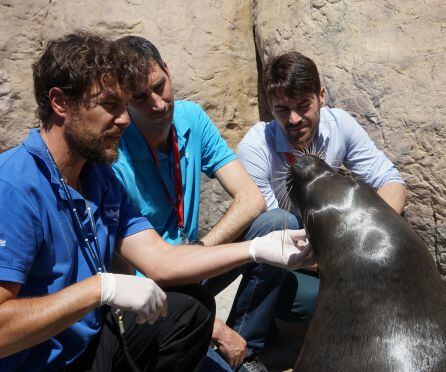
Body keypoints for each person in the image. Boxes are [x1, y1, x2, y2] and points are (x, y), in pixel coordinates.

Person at [0, 34, 314, 371]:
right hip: (40, 362)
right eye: (111, 105)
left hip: (90, 346)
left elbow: (160, 260)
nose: (124, 119)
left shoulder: (97, 177)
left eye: (124, 105)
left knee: (191, 306)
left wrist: (256, 249)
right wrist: (99, 289)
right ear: (61, 103)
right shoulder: (15, 186)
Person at [111, 36, 305, 372]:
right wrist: (216, 330)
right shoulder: (115, 156)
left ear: (168, 72)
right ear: (124, 102)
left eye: (160, 86)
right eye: (140, 98)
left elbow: (251, 199)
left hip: (191, 265)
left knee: (275, 222)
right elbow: (138, 276)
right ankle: (216, 343)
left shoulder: (191, 118)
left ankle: (249, 350)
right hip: (152, 287)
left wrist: (201, 249)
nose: (158, 104)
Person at [237, 51, 407, 329]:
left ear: (321, 96)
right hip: (288, 257)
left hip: (335, 244)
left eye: (303, 105)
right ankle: (257, 336)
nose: (293, 119)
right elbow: (274, 234)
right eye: (282, 109)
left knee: (396, 220)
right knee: (316, 298)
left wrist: (369, 236)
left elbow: (390, 180)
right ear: (270, 106)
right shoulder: (255, 148)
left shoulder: (339, 124)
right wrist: (342, 262)